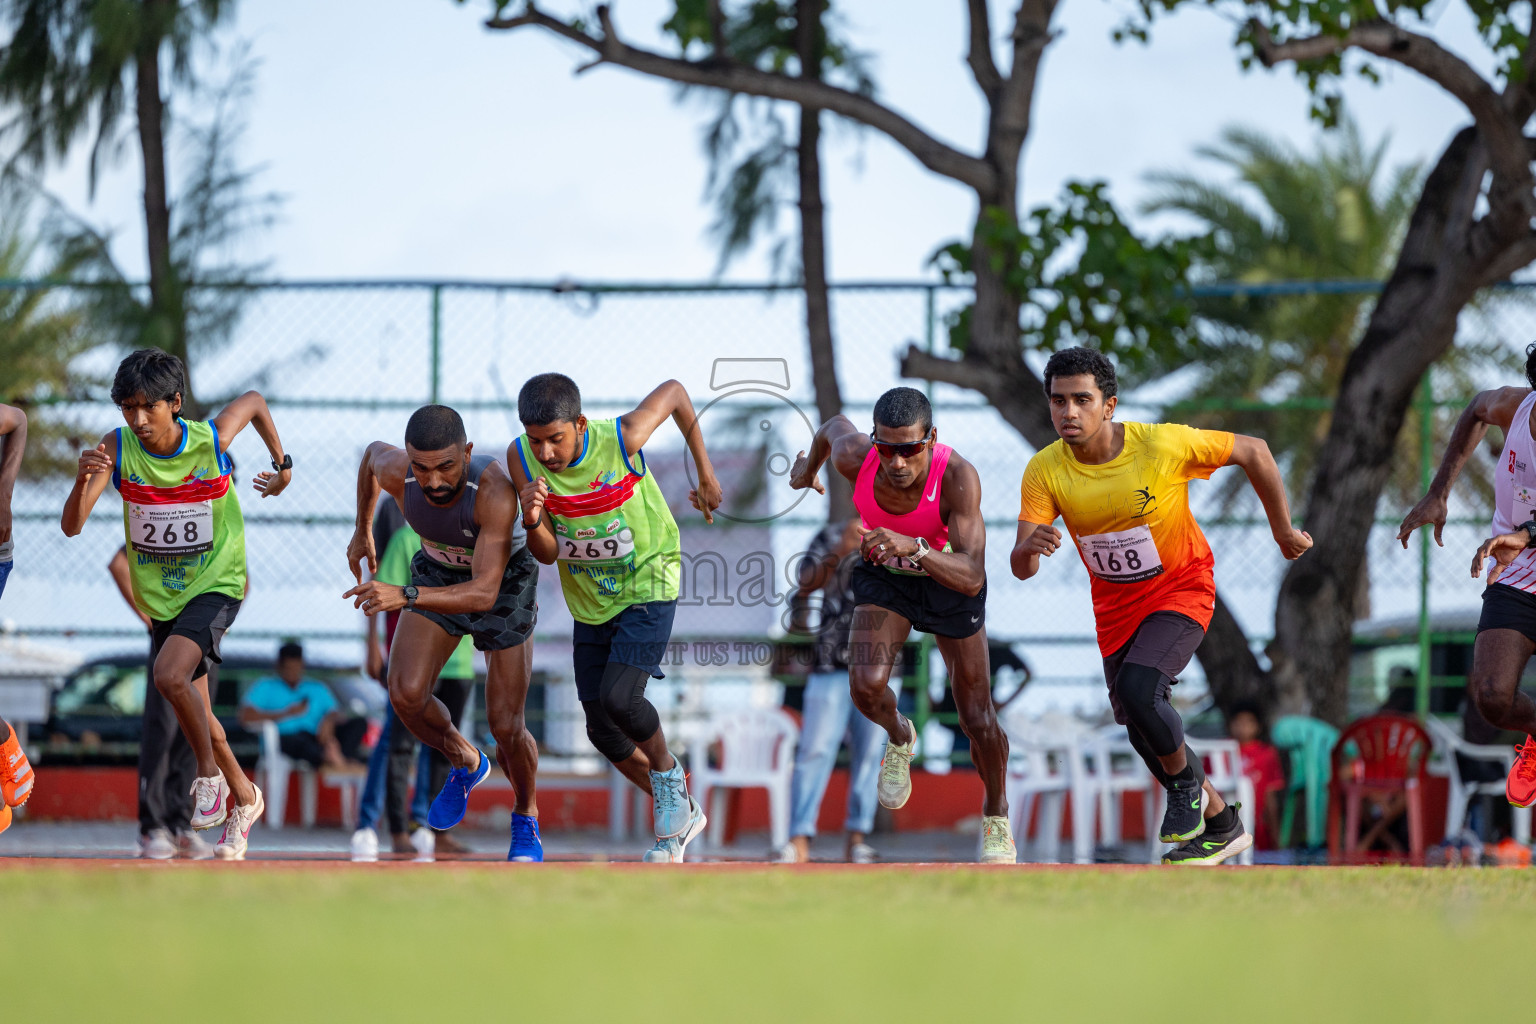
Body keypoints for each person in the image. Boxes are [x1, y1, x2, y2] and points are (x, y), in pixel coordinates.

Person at [1012, 347, 1311, 865]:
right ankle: (1222, 822)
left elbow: (1256, 450)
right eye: (1059, 401)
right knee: (1138, 721)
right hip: (1115, 610)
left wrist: (1282, 531)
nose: (1069, 413)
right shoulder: (1045, 470)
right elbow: (1021, 567)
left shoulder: (1162, 444)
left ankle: (1182, 792)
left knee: (1140, 688)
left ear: (1109, 406)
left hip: (1181, 588)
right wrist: (1028, 548)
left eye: (1082, 400)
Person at [60, 348, 293, 860]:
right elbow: (72, 526)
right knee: (198, 706)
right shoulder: (118, 447)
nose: (137, 419)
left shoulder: (212, 439)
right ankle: (246, 796)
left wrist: (284, 466)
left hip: (217, 583)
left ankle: (208, 777)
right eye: (127, 408)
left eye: (148, 407)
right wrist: (83, 480)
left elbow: (254, 400)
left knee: (169, 677)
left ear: (175, 403)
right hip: (163, 598)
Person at [789, 388, 1015, 864]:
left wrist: (914, 547)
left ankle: (996, 813)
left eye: (909, 448)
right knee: (866, 688)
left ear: (931, 439)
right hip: (887, 576)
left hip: (949, 581)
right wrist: (809, 469)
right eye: (887, 447)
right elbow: (832, 427)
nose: (896, 461)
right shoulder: (858, 457)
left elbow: (973, 576)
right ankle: (899, 734)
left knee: (976, 717)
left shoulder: (957, 477)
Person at [509, 373, 721, 863]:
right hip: (591, 595)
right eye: (536, 439)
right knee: (602, 730)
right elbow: (546, 554)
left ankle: (669, 779)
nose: (545, 453)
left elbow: (675, 393)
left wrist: (705, 472)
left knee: (621, 697)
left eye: (555, 439)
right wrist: (532, 518)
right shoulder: (520, 458)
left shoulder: (621, 438)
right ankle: (680, 816)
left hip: (650, 577)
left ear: (580, 424)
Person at [345, 405, 543, 861]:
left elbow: (483, 593)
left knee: (506, 726)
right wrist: (362, 530)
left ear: (467, 453)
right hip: (437, 569)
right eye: (422, 467)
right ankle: (465, 759)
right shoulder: (400, 472)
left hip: (500, 582)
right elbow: (372, 456)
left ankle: (526, 816)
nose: (432, 481)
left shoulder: (492, 492)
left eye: (446, 467)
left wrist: (406, 595)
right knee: (405, 693)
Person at [1399, 347, 1536, 811]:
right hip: (1515, 576)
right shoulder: (1517, 409)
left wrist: (1526, 534)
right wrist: (1439, 492)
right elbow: (1478, 406)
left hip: (1519, 549)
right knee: (1492, 697)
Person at [351, 506, 477, 859]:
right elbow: (381, 594)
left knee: (446, 750)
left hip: (460, 662)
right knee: (400, 746)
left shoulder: (472, 540)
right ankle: (397, 829)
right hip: (417, 663)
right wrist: (374, 646)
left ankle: (435, 829)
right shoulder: (408, 540)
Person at [779, 517, 898, 864]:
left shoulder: (903, 531)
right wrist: (842, 548)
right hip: (831, 662)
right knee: (814, 751)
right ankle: (799, 839)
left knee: (868, 756)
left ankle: (857, 839)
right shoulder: (831, 533)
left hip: (882, 665)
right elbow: (804, 584)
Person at [110, 545, 211, 859]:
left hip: (203, 636)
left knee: (195, 729)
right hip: (169, 632)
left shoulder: (222, 518)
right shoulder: (171, 511)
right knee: (163, 728)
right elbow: (119, 564)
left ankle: (181, 824)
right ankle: (152, 826)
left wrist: (219, 620)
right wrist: (149, 619)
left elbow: (243, 579)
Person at [241, 641, 368, 768]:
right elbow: (246, 717)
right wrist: (285, 713)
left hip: (316, 737)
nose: (292, 673)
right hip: (285, 739)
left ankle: (338, 760)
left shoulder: (316, 687)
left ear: (302, 665)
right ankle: (332, 761)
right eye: (288, 669)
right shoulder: (266, 686)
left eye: (296, 668)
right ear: (279, 666)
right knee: (301, 743)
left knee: (358, 723)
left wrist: (329, 720)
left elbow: (335, 712)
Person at [1226, 701, 1284, 850]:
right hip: (1222, 823)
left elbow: (1271, 797)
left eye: (1248, 722)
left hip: (1257, 826)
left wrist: (1276, 836)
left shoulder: (1267, 754)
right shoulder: (1220, 751)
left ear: (1258, 726)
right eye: (1238, 722)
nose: (1243, 727)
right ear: (1231, 725)